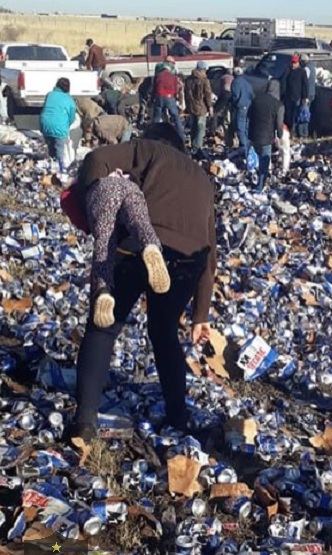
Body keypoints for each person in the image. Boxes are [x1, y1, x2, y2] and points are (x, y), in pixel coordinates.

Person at [72, 123, 216, 443]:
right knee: (164, 334)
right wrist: (200, 315)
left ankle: (84, 421)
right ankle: (178, 417)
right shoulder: (204, 180)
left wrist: (90, 202)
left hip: (137, 245)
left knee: (104, 326)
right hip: (188, 261)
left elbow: (97, 157)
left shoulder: (149, 149)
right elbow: (211, 253)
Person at [84, 171, 171, 329]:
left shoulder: (83, 187)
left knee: (104, 245)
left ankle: (103, 291)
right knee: (139, 221)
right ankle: (150, 245)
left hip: (101, 194)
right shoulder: (120, 166)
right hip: (130, 188)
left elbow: (82, 220)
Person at [248, 79, 284, 192]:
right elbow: (279, 124)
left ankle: (252, 177)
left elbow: (249, 115)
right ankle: (260, 185)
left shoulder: (256, 99)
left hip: (253, 135)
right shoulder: (278, 104)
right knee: (264, 162)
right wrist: (280, 135)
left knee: (255, 159)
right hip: (266, 138)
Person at [40, 78, 76, 173]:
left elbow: (46, 108)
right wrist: (66, 125)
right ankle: (60, 172)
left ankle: (50, 169)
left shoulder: (49, 95)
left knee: (50, 148)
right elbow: (72, 117)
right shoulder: (69, 100)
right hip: (59, 127)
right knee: (59, 151)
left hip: (45, 124)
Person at [152, 56, 186, 144]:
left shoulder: (158, 76)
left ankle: (151, 136)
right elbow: (176, 89)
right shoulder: (173, 77)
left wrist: (152, 100)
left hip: (159, 97)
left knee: (156, 118)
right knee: (175, 117)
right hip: (169, 97)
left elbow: (154, 88)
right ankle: (181, 137)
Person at [184, 60, 213, 155]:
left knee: (193, 127)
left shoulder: (189, 79)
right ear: (203, 70)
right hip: (201, 108)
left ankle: (193, 144)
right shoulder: (204, 80)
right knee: (200, 128)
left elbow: (185, 93)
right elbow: (208, 94)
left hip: (191, 106)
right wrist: (210, 107)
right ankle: (197, 148)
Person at [230, 67, 254, 157]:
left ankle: (243, 146)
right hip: (249, 106)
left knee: (240, 127)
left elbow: (235, 96)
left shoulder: (235, 82)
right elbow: (252, 95)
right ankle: (248, 145)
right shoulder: (247, 83)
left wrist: (233, 104)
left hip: (240, 107)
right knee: (247, 127)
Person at [281, 54, 308, 133]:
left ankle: (294, 131)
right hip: (288, 97)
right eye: (292, 62)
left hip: (297, 97)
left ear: (298, 63)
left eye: (295, 63)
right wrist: (283, 93)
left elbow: (305, 85)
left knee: (296, 115)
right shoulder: (288, 71)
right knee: (288, 115)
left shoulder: (302, 72)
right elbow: (283, 82)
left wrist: (305, 97)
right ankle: (289, 130)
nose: (293, 64)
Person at [210, 68, 234, 134]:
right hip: (231, 94)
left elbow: (221, 88)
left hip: (224, 94)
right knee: (228, 111)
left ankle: (213, 129)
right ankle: (227, 128)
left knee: (215, 111)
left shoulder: (223, 77)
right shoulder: (233, 78)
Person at [299, 54, 316, 138]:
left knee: (304, 114)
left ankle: (303, 133)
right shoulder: (312, 67)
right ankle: (306, 132)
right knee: (307, 113)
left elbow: (304, 82)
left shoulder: (306, 69)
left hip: (307, 94)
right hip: (312, 93)